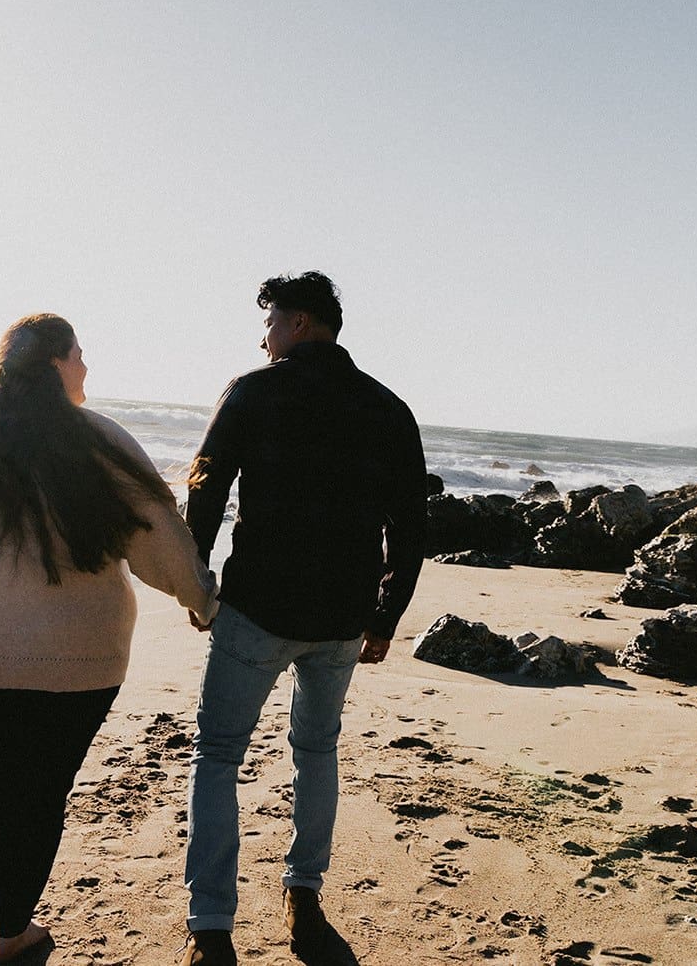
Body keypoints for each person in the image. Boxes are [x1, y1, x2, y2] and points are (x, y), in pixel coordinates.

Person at [0, 313, 216, 963]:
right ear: (58, 364)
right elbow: (157, 532)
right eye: (80, 355)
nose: (87, 368)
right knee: (38, 789)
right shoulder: (96, 440)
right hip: (76, 659)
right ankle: (10, 932)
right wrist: (200, 600)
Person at [179, 272, 427, 965]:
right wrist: (386, 614)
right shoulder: (388, 408)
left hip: (258, 606)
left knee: (218, 755)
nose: (263, 340)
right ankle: (304, 899)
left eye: (270, 324)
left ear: (298, 323)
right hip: (343, 618)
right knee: (316, 751)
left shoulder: (254, 390)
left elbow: (204, 487)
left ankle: (211, 929)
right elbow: (411, 525)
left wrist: (196, 583)